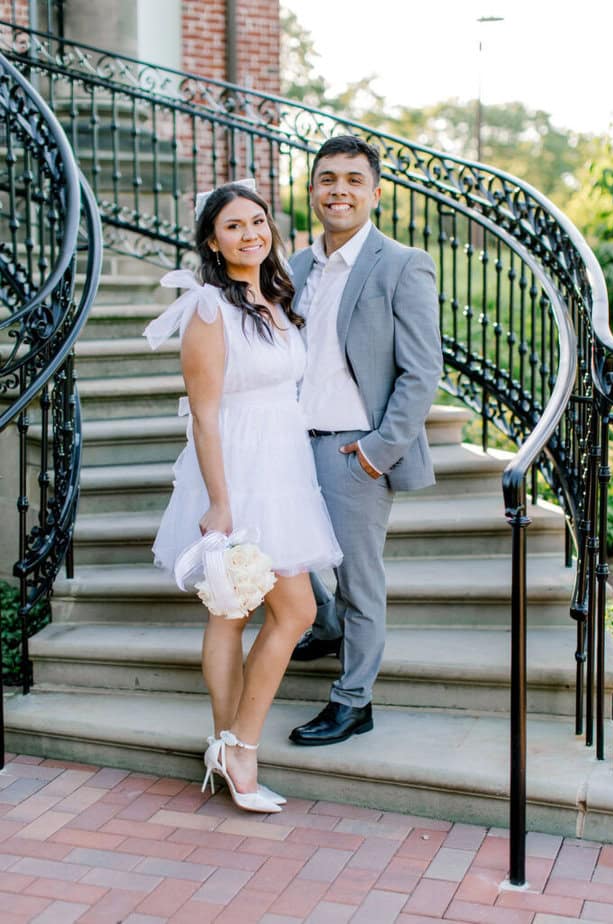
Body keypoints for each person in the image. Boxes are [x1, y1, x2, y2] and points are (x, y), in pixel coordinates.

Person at [143, 180, 342, 811]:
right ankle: (240, 748)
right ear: (212, 239)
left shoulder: (276, 296)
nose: (251, 233)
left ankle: (229, 744)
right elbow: (204, 415)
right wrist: (221, 502)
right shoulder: (208, 308)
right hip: (239, 467)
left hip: (285, 466)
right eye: (234, 226)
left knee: (253, 612)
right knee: (280, 611)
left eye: (258, 221)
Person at [288, 136, 442, 747]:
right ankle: (325, 624)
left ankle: (354, 701)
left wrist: (380, 450)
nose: (339, 190)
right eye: (328, 179)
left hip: (355, 447)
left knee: (359, 579)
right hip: (291, 442)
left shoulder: (402, 264)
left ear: (374, 193)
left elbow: (421, 371)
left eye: (353, 180)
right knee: (281, 552)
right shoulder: (297, 266)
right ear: (312, 192)